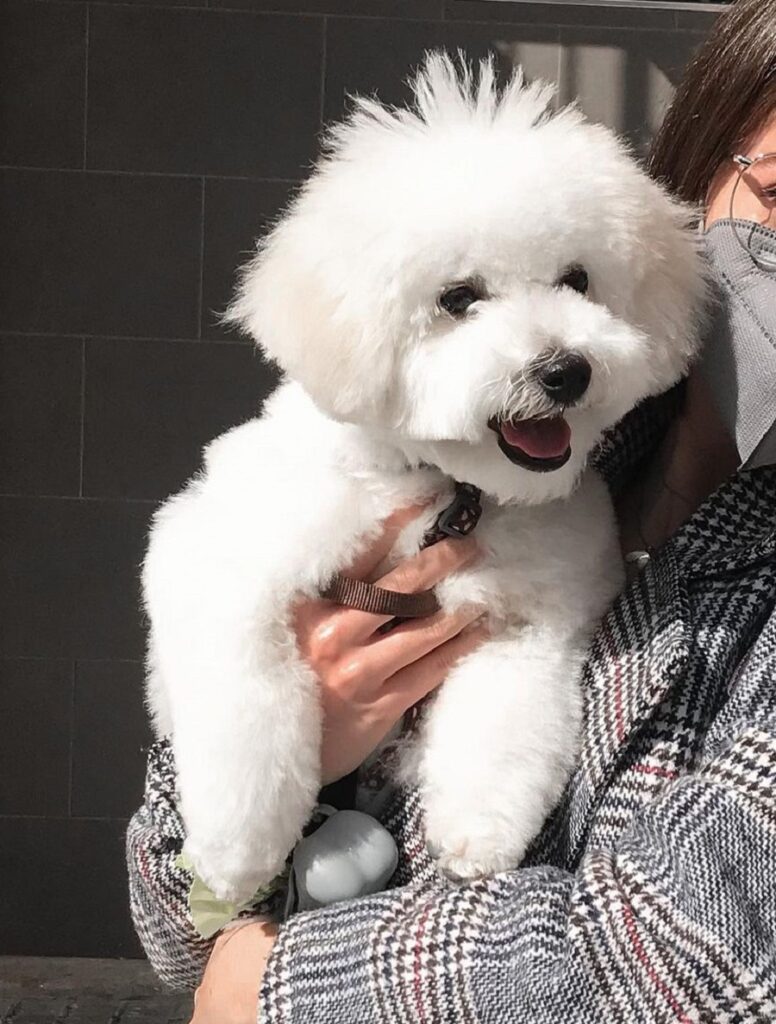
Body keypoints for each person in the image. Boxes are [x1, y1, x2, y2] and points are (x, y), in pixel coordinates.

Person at [126, 0, 776, 1019]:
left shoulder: (576, 523)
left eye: (571, 279)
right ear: (690, 187)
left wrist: (277, 981)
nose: (548, 349)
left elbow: (693, 961)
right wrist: (308, 737)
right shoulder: (370, 477)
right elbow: (177, 928)